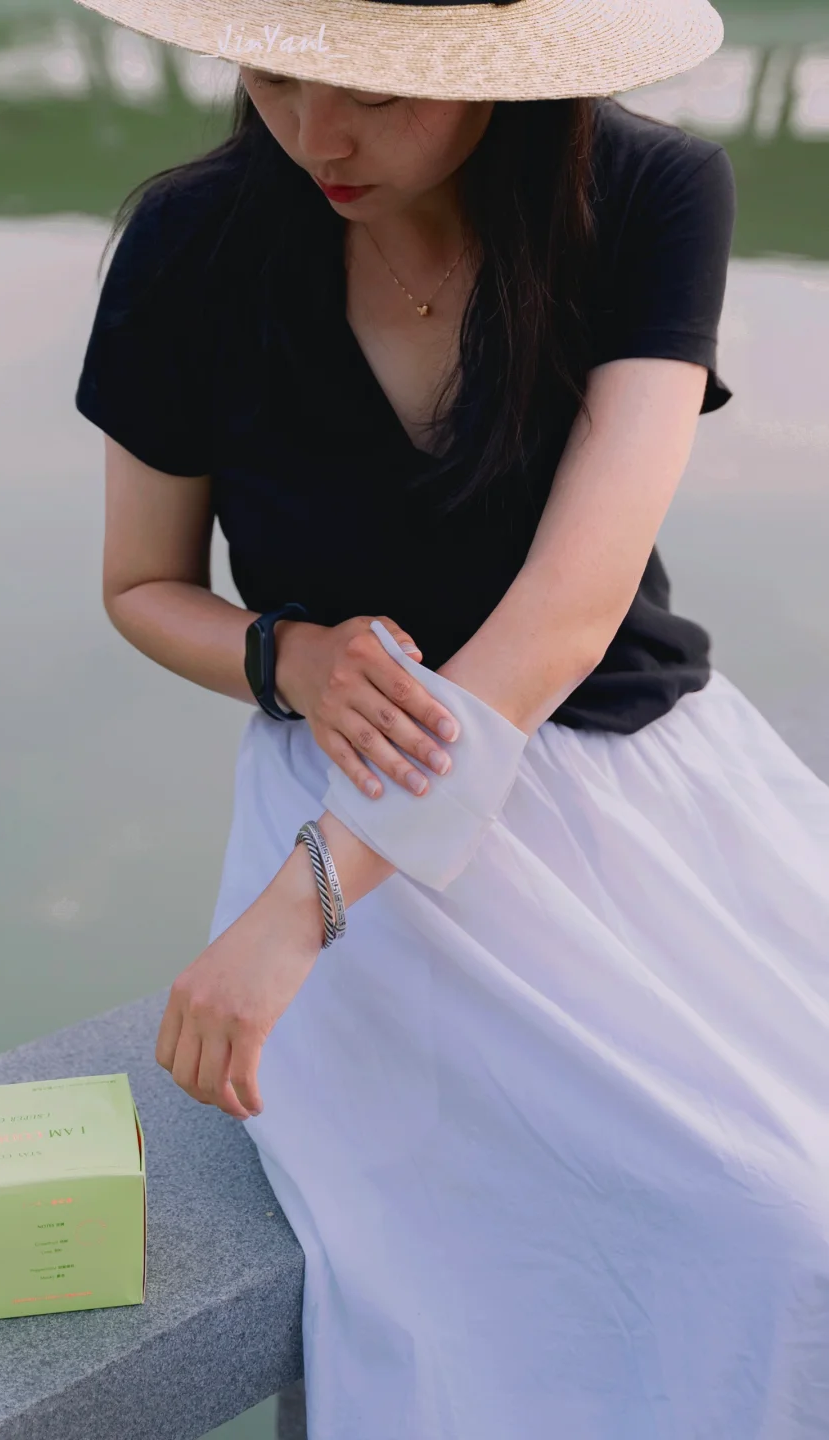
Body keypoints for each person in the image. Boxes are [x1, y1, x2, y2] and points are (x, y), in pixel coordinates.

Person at [74, 0, 829, 1434]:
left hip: (633, 787)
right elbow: (139, 586)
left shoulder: (649, 193)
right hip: (352, 803)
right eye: (278, 77)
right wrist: (288, 659)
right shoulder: (191, 241)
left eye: (376, 93)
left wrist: (294, 909)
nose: (317, 136)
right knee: (669, 1243)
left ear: (501, 72)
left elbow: (565, 618)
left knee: (800, 1224)